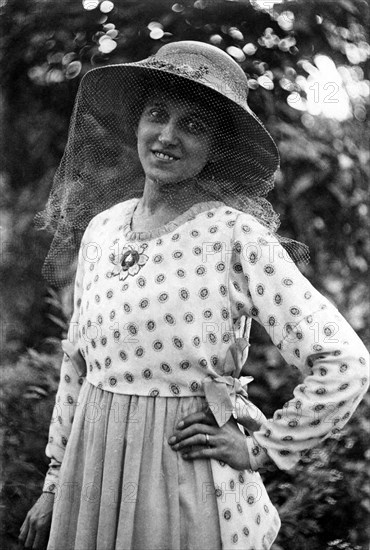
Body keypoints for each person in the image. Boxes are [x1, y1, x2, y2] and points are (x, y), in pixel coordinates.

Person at [19, 41, 369, 550]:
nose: (167, 136)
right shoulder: (102, 229)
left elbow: (345, 361)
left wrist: (261, 448)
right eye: (156, 115)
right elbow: (78, 366)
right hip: (89, 483)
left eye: (193, 125)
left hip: (182, 487)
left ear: (216, 148)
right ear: (136, 124)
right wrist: (54, 484)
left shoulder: (236, 237)